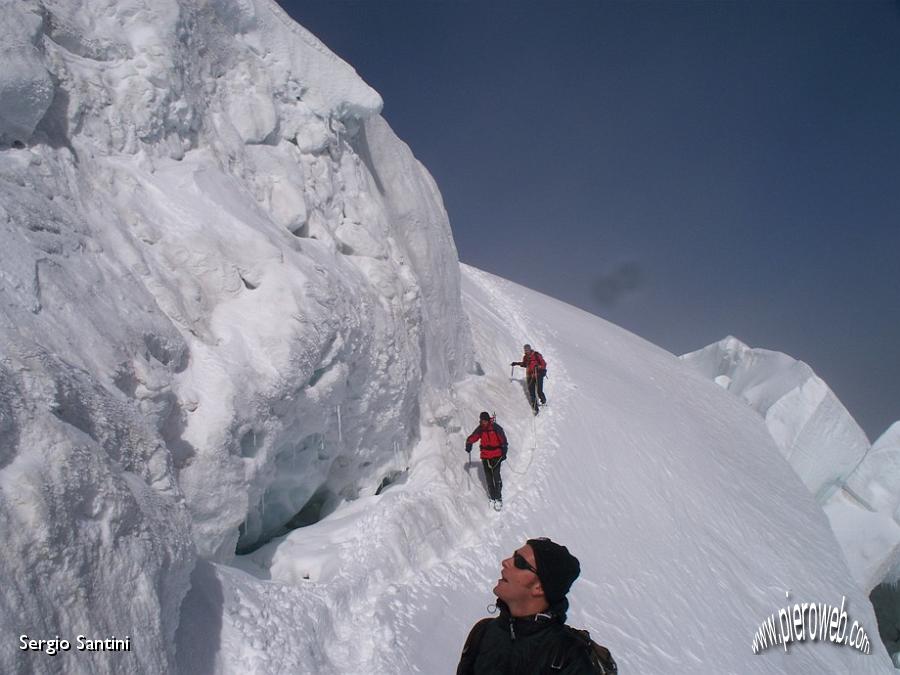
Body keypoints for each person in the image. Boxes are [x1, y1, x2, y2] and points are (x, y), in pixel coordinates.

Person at [457, 538, 616, 674]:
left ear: (539, 587)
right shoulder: (483, 631)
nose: (506, 562)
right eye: (513, 557)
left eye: (520, 562)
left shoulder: (570, 656)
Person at [465, 412, 508, 510]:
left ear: (488, 420)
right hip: (485, 456)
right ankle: (492, 497)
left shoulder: (496, 428)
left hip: (496, 455)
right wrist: (469, 443)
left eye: (484, 420)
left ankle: (498, 498)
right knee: (489, 478)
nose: (483, 422)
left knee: (496, 476)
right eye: (481, 421)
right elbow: (473, 436)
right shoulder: (481, 429)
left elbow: (503, 440)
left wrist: (504, 451)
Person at [511, 344, 547, 415]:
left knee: (539, 391)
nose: (526, 351)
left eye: (527, 349)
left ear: (530, 349)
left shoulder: (536, 355)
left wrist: (539, 366)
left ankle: (543, 401)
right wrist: (516, 363)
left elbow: (544, 364)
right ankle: (535, 409)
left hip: (538, 374)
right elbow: (524, 364)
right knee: (532, 393)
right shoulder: (525, 357)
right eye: (525, 350)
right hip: (530, 376)